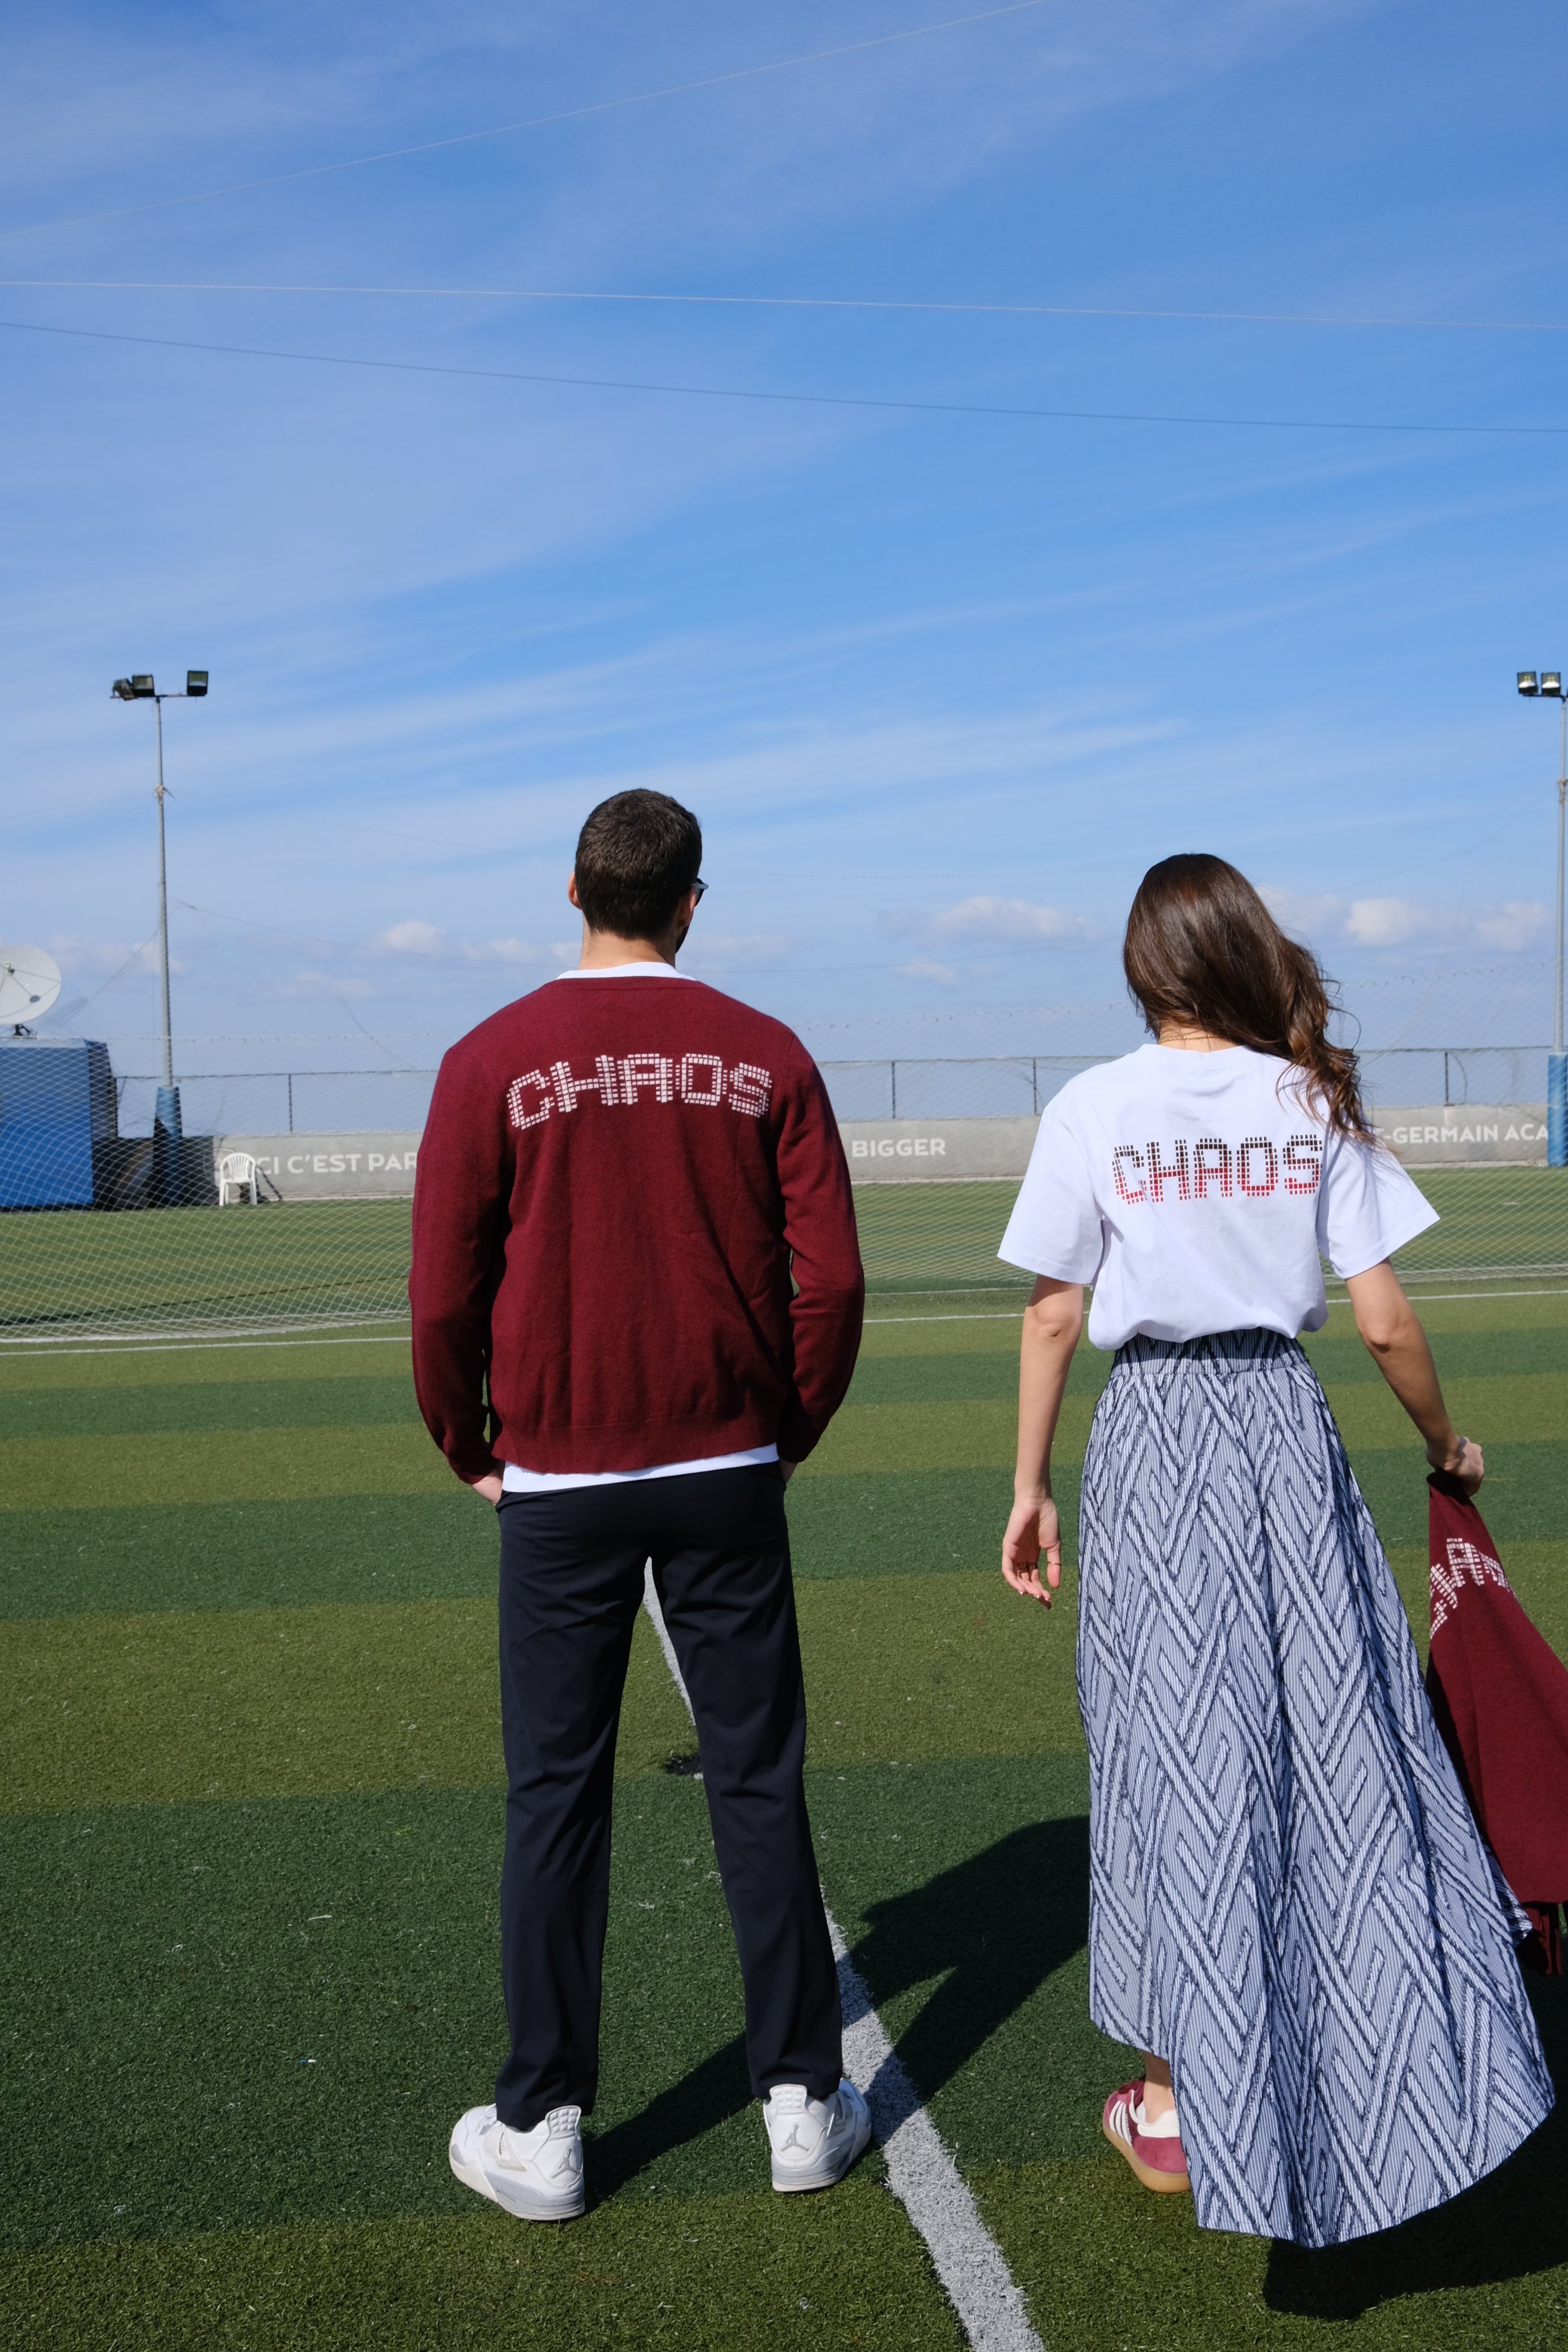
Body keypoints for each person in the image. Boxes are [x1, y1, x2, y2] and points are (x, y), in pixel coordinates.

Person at [997, 853, 1554, 2246]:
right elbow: (1382, 1321)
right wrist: (1446, 1447)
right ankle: (1410, 2072)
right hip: (1280, 1434)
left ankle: (1183, 2100)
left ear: (1142, 970)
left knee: (1173, 1751)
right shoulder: (1306, 1097)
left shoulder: (1092, 1105)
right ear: (1242, 951)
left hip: (1152, 1443)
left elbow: (1056, 1315)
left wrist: (1029, 1482)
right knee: (1344, 1748)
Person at [410, 789, 870, 2222]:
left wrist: (466, 1442)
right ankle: (802, 2100)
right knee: (758, 1776)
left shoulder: (489, 1056)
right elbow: (837, 1281)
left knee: (554, 1794)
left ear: (572, 892)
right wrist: (786, 1423)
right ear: (690, 902)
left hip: (555, 1478)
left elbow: (442, 1291)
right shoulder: (764, 1051)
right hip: (728, 1467)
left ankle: (542, 2125)